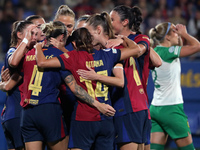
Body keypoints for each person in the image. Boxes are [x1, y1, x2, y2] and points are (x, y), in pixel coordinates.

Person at [35, 27, 144, 150]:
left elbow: (42, 62)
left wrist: (38, 48)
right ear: (91, 41)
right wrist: (123, 38)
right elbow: (136, 50)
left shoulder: (71, 57)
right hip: (106, 117)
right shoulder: (108, 54)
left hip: (83, 117)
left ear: (74, 44)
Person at [109, 5, 162, 150]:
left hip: (131, 103)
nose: (109, 22)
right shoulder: (112, 40)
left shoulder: (139, 38)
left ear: (124, 22)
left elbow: (154, 60)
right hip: (135, 105)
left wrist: (124, 40)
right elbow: (157, 61)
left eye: (112, 19)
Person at [149, 22, 200, 150]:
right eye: (173, 31)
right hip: (171, 109)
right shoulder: (168, 52)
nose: (177, 32)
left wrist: (179, 37)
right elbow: (197, 46)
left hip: (155, 108)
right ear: (167, 37)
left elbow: (179, 47)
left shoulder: (156, 51)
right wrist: (185, 34)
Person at [0, 20, 37, 150]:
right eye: (31, 33)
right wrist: (3, 84)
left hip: (12, 115)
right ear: (20, 35)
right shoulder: (14, 52)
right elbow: (14, 63)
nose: (35, 35)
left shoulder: (33, 53)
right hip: (17, 114)